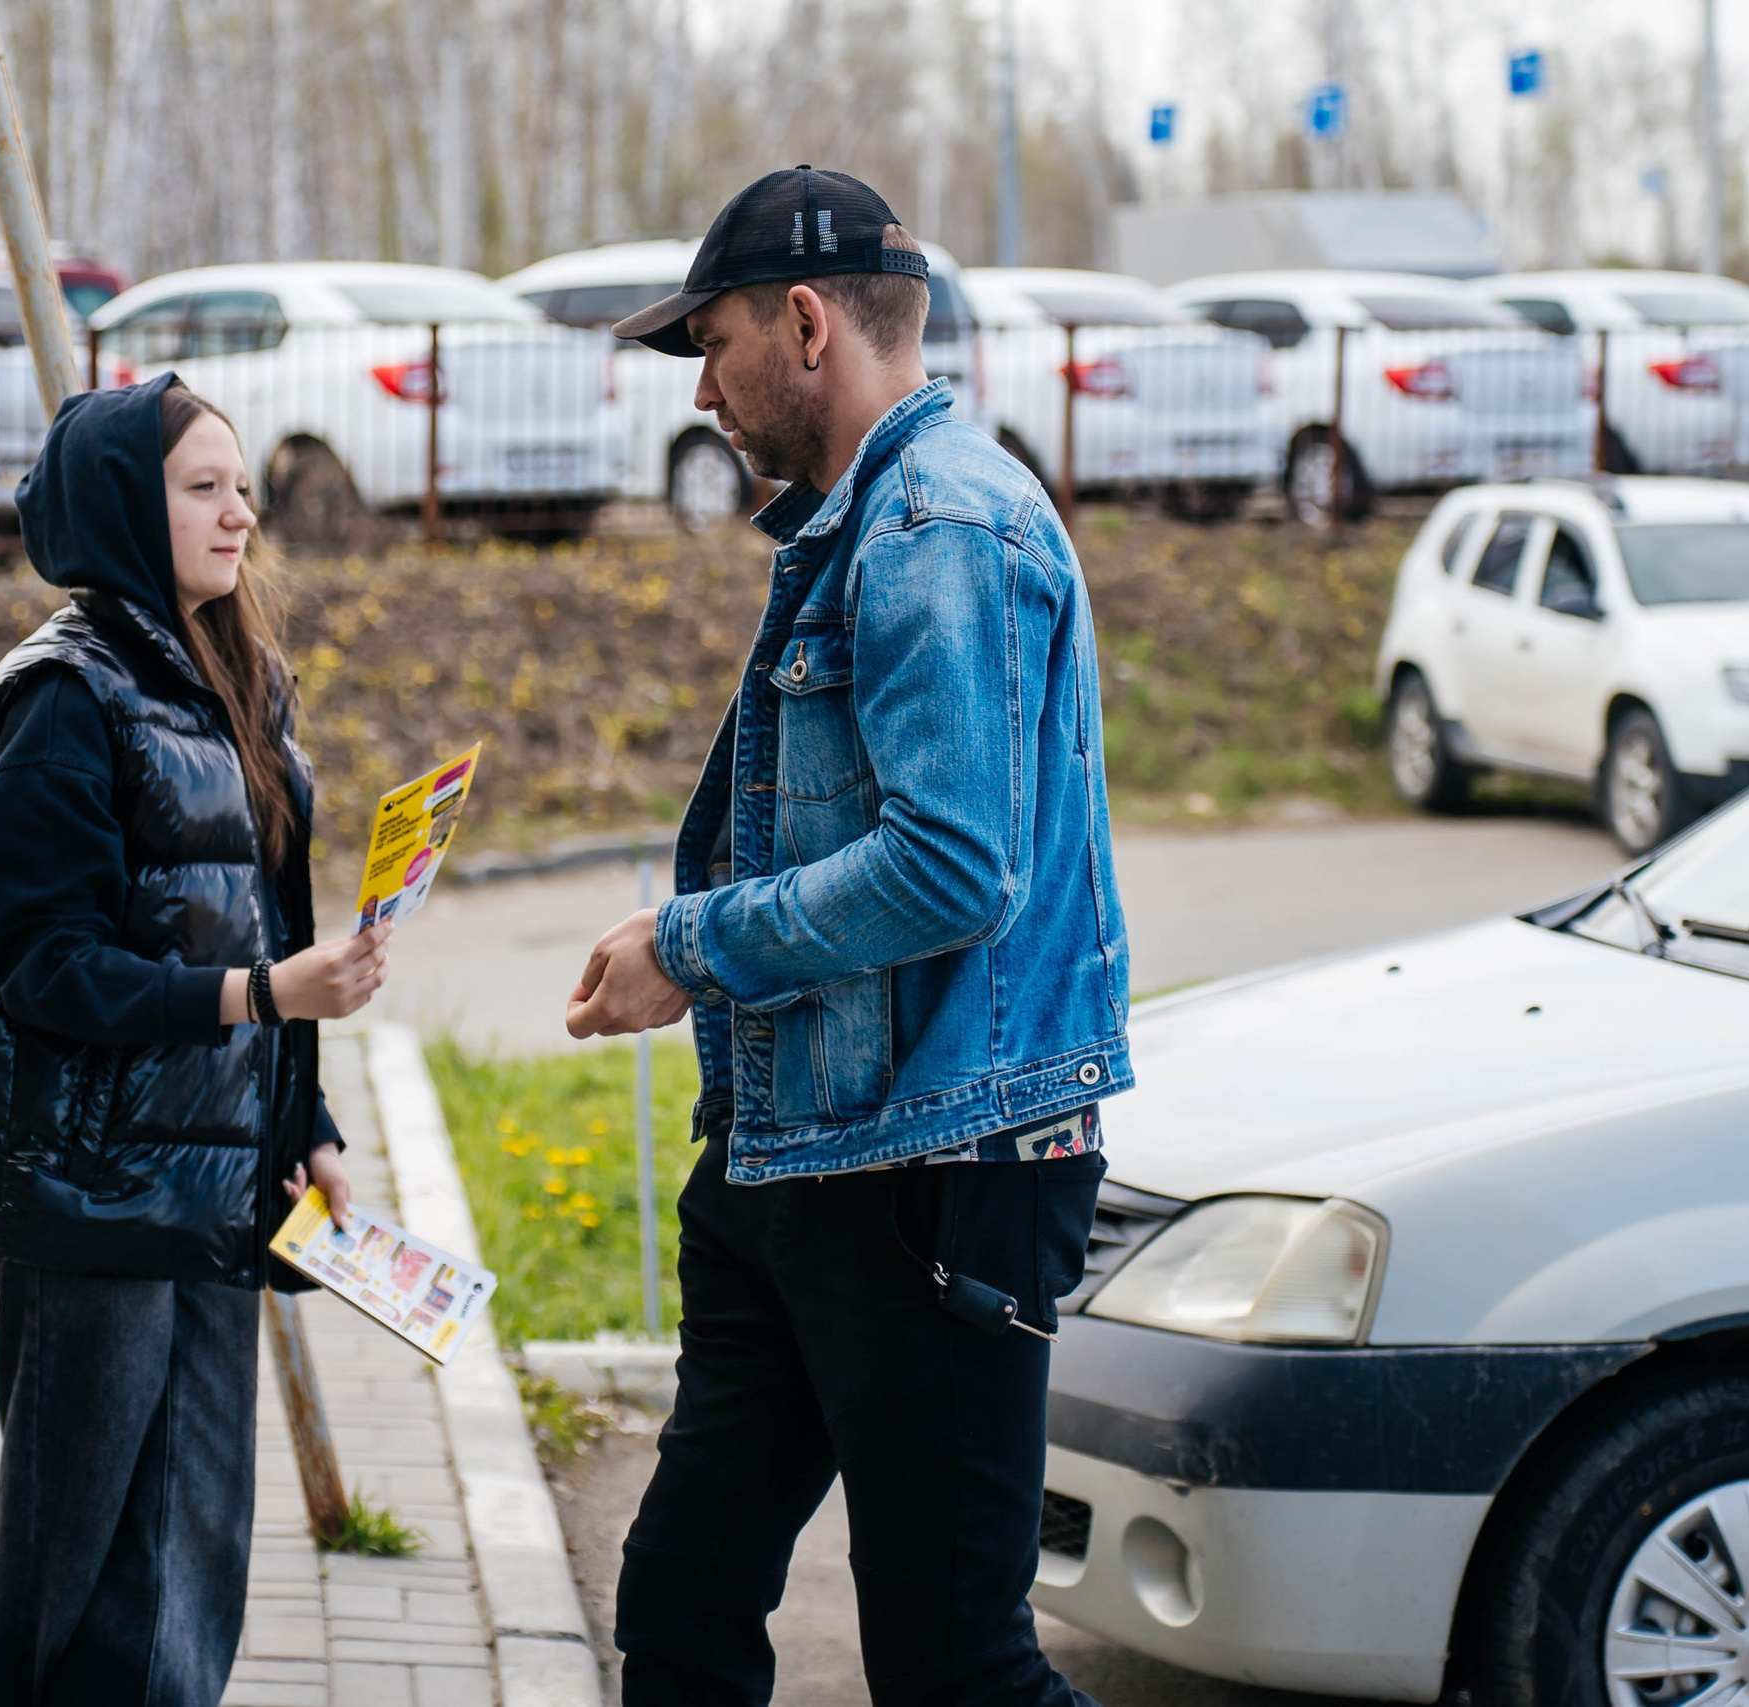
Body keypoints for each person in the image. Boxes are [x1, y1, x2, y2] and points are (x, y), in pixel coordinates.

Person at [569, 167, 1134, 1707]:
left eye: (717, 339)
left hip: (939, 1174)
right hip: (802, 1152)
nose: (703, 384)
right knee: (681, 1605)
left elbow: (953, 868)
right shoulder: (858, 521)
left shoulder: (939, 526)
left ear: (806, 323)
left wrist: (691, 949)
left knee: (956, 1667)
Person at [0, 374, 392, 1707]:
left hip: (213, 1191)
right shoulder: (61, 701)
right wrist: (261, 998)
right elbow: (39, 963)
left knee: (190, 1568)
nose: (242, 509)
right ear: (127, 508)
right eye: (204, 486)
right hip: (90, 1200)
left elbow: (253, 920)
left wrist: (304, 1127)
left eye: (242, 483)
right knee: (76, 1580)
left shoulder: (239, 677)